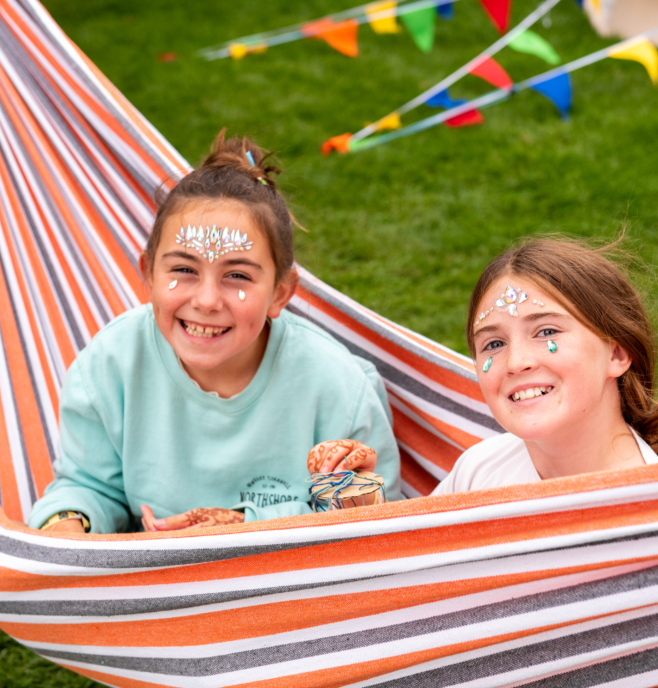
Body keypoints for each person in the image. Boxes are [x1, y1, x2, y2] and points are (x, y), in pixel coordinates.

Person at [28, 131, 400, 534]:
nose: (206, 300)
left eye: (236, 275)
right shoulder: (109, 366)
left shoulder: (338, 387)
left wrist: (237, 525)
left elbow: (374, 523)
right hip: (157, 582)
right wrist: (68, 522)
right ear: (148, 274)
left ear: (280, 293)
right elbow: (90, 486)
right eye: (184, 270)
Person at [432, 236, 658, 495]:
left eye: (546, 332)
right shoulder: (478, 471)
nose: (516, 362)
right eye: (494, 344)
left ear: (616, 354)